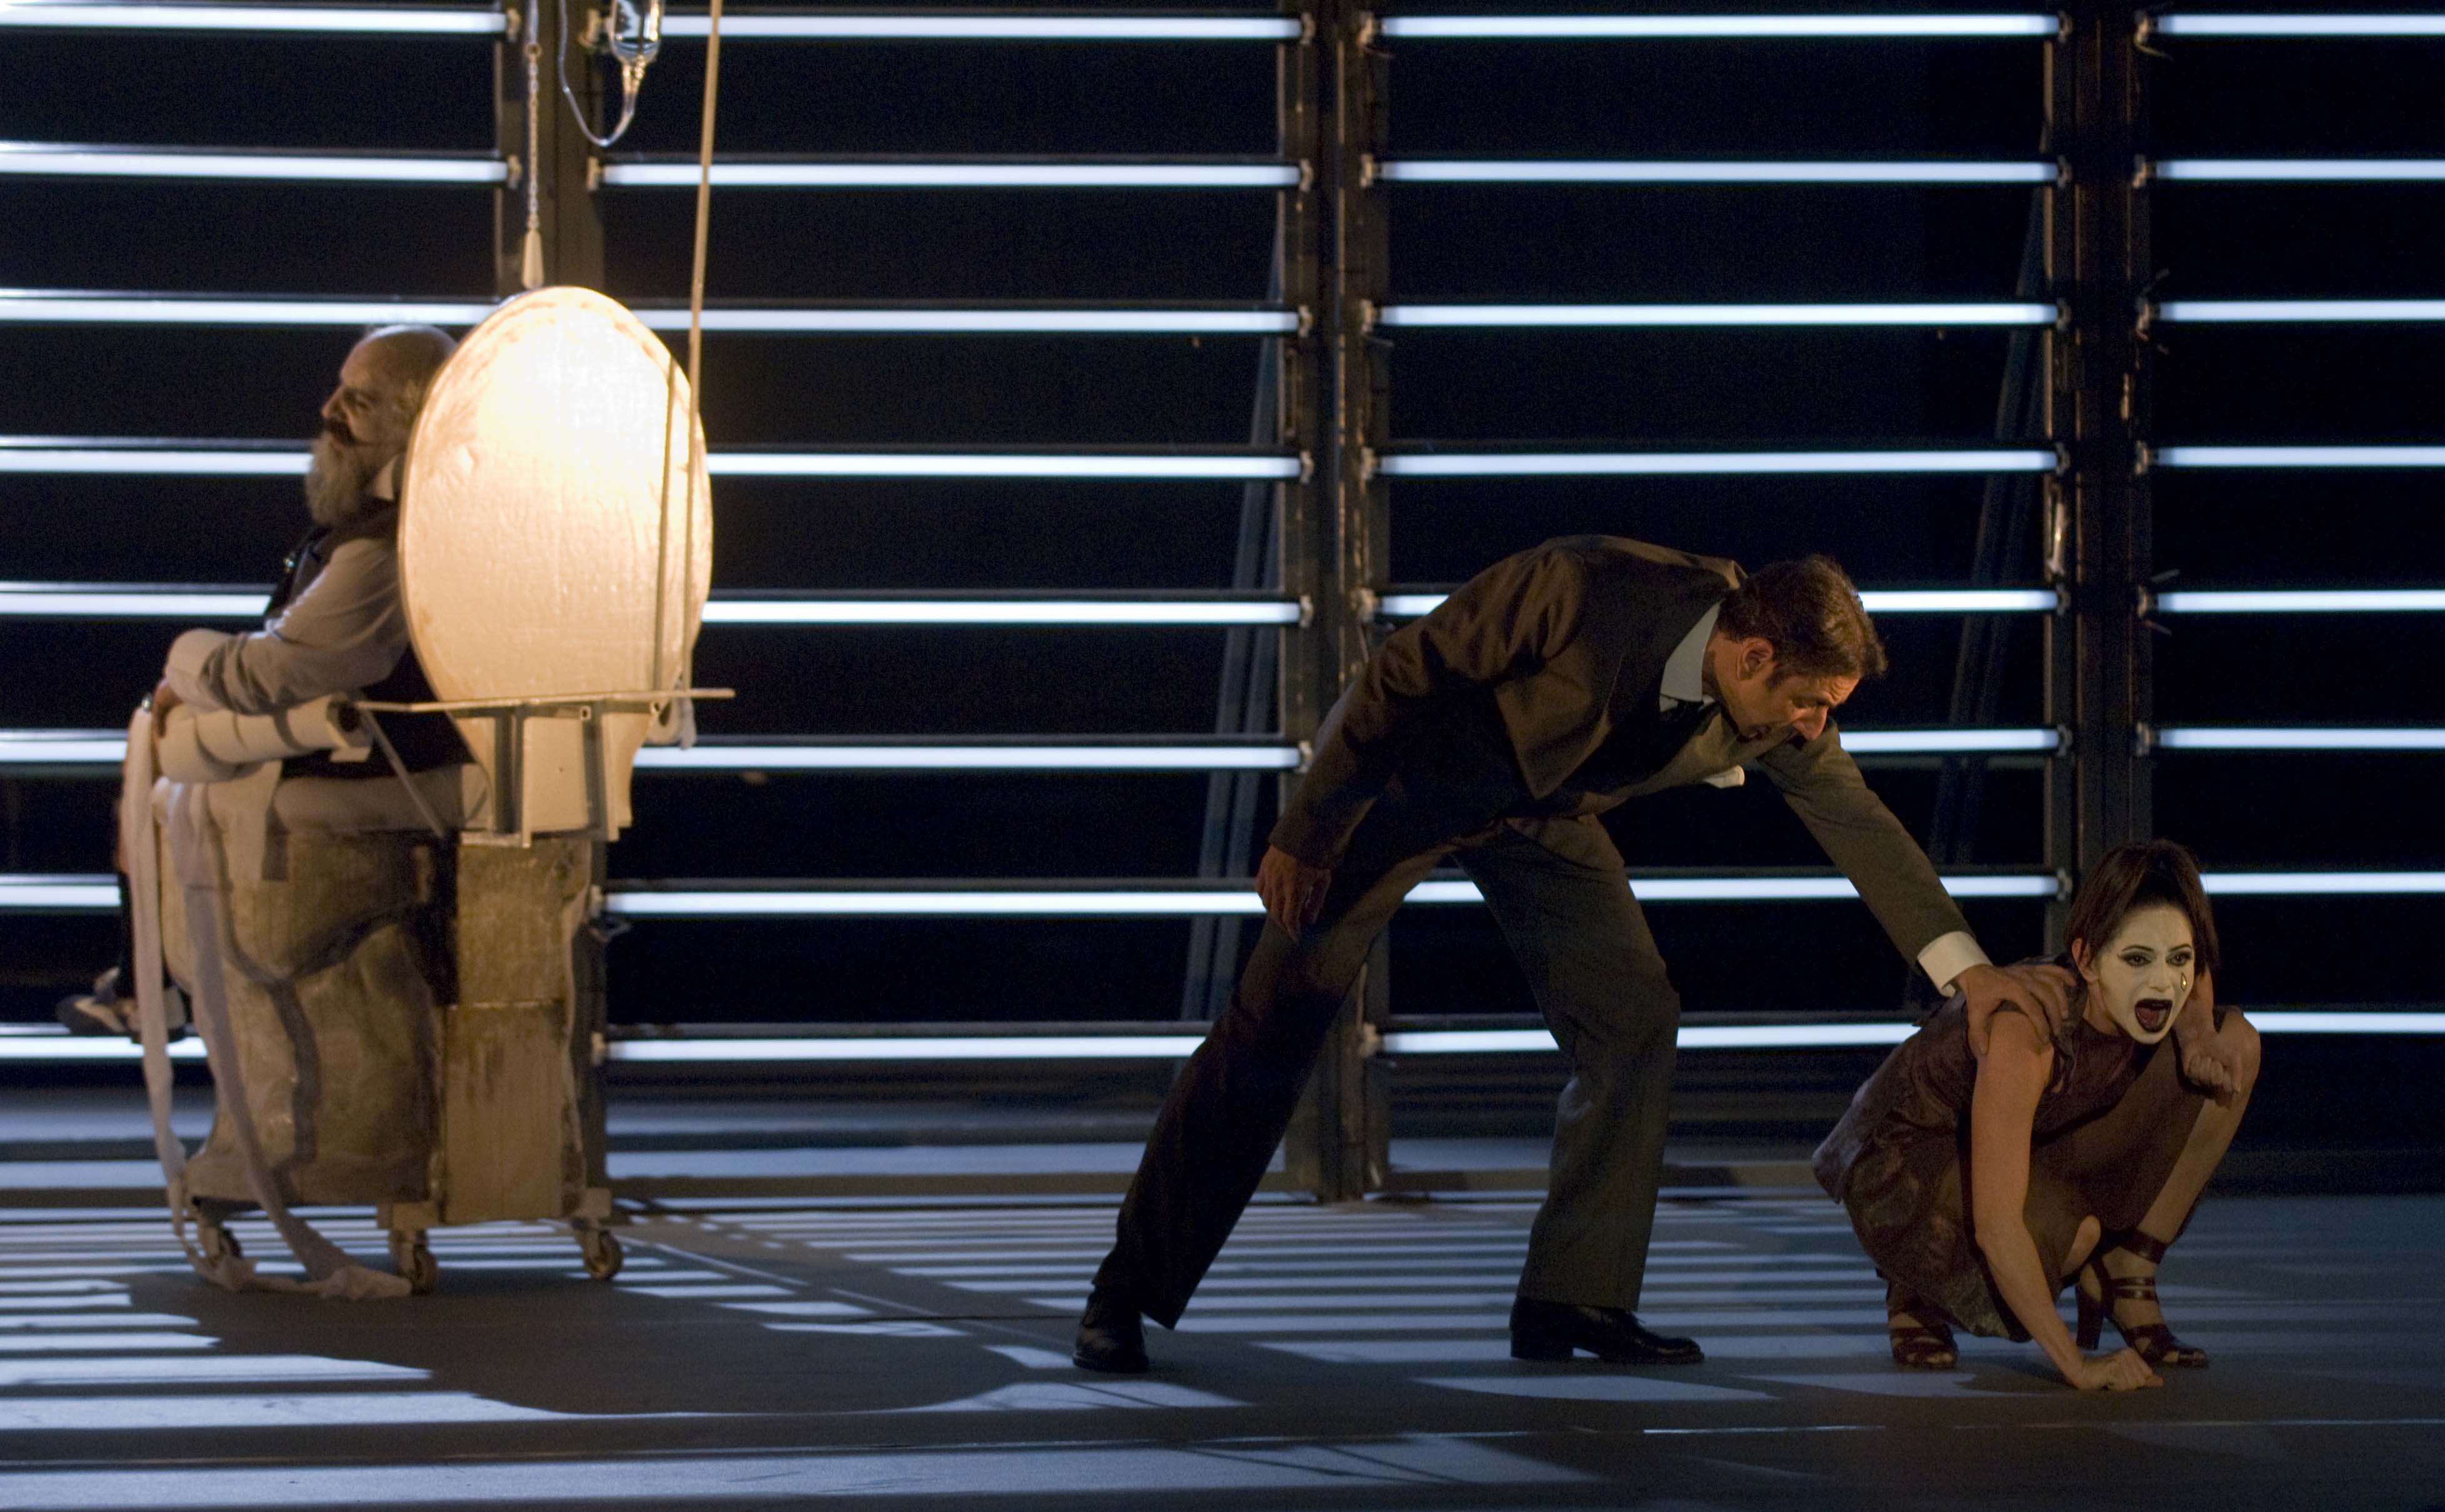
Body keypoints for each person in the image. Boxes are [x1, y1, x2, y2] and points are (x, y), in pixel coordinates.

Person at [1075, 534, 2079, 1373]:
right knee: (1276, 1024)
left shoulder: (1774, 695)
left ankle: (1572, 1297)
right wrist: (1307, 832)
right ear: (1753, 658)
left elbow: (1858, 821)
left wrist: (1971, 975)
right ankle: (1126, 1292)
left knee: (1634, 1019)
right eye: (1813, 703)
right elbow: (1398, 677)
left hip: (1545, 811)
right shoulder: (1581, 586)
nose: (1816, 728)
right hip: (1412, 783)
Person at [57, 324, 469, 1035]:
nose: (330, 411)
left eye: (359, 401)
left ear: (415, 420)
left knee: (156, 734)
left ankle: (145, 985)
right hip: (352, 731)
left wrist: (184, 664)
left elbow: (279, 671)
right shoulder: (382, 525)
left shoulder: (384, 546)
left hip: (373, 749)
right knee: (154, 739)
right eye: (338, 390)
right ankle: (144, 979)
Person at [1814, 839, 2261, 1390]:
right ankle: (1915, 1289)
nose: (2163, 983)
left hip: (2028, 1131)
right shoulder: (2030, 1029)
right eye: (2137, 960)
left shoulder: (2159, 992)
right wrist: (2077, 1366)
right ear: (2087, 961)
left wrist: (2199, 1038)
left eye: (2178, 960)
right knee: (2068, 1235)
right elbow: (1999, 1226)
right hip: (1909, 1161)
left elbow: (2195, 982)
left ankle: (2129, 1272)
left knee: (2238, 1043)